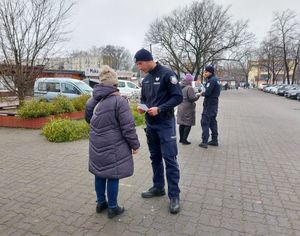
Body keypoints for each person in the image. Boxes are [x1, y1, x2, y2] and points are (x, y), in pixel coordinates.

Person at [85, 65, 140, 219]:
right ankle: (113, 208)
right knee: (113, 175)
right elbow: (128, 127)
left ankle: (101, 203)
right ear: (115, 85)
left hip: (96, 144)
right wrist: (135, 145)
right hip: (114, 145)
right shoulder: (119, 101)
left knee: (99, 174)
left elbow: (89, 119)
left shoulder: (93, 100)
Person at [134, 48, 183, 214]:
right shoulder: (146, 79)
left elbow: (178, 97)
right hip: (151, 124)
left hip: (165, 123)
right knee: (154, 157)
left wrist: (160, 109)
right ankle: (158, 187)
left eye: (140, 63)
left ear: (148, 60)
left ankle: (174, 196)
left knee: (170, 159)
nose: (139, 67)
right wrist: (142, 107)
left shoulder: (167, 74)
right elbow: (144, 99)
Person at [199, 65, 221, 149]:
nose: (204, 73)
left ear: (210, 72)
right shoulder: (215, 80)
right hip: (214, 104)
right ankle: (214, 140)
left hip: (209, 104)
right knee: (212, 122)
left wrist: (201, 93)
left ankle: (204, 141)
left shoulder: (212, 80)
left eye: (206, 72)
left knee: (204, 121)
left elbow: (207, 93)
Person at [177, 74, 201, 145]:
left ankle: (181, 139)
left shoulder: (180, 86)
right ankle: (184, 140)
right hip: (188, 108)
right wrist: (198, 95)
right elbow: (192, 98)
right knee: (188, 124)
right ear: (190, 80)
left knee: (182, 123)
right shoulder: (189, 88)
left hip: (181, 106)